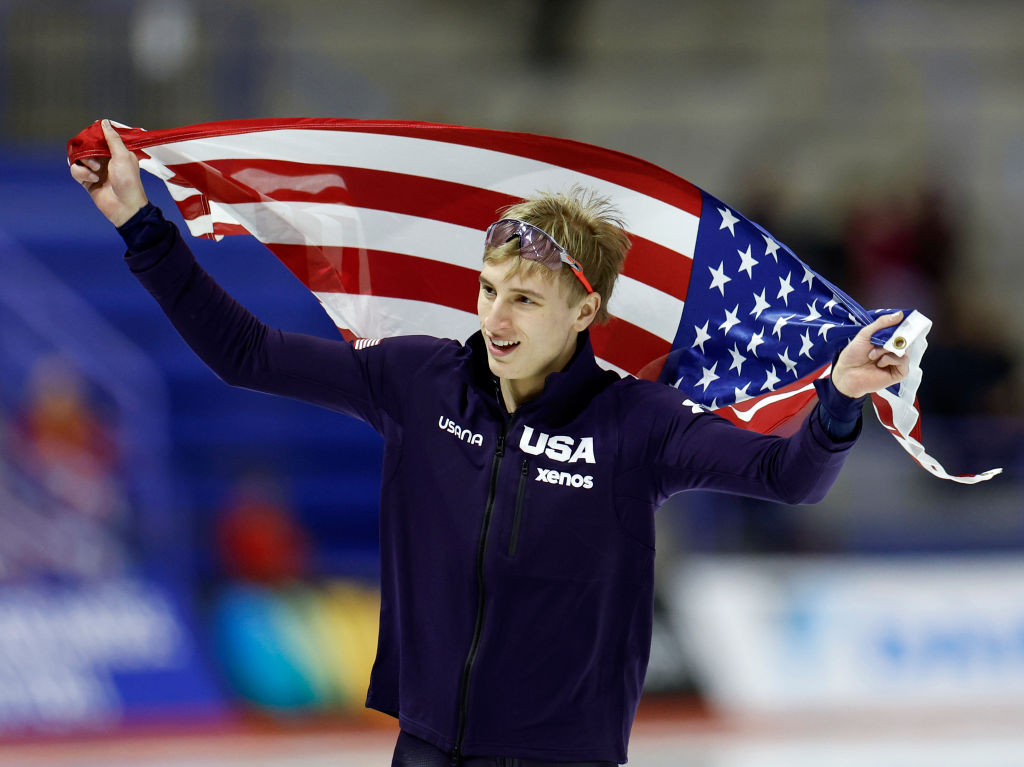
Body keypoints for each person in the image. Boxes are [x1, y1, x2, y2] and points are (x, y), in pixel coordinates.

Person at [71, 119, 908, 766]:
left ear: (585, 315)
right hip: (427, 744)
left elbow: (785, 476)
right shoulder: (417, 381)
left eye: (526, 301)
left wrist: (837, 400)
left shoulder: (636, 425)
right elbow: (244, 352)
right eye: (489, 290)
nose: (496, 318)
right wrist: (141, 224)